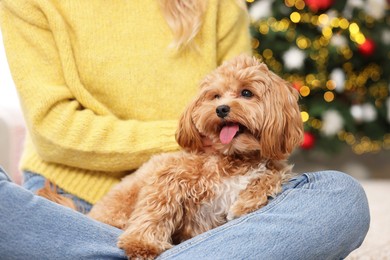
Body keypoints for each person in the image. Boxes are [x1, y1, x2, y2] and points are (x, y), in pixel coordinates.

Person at [0, 0, 369, 259]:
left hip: (224, 198)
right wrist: (193, 135)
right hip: (77, 204)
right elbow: (52, 127)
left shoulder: (219, 4)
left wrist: (220, 137)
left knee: (341, 197)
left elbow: (249, 99)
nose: (225, 103)